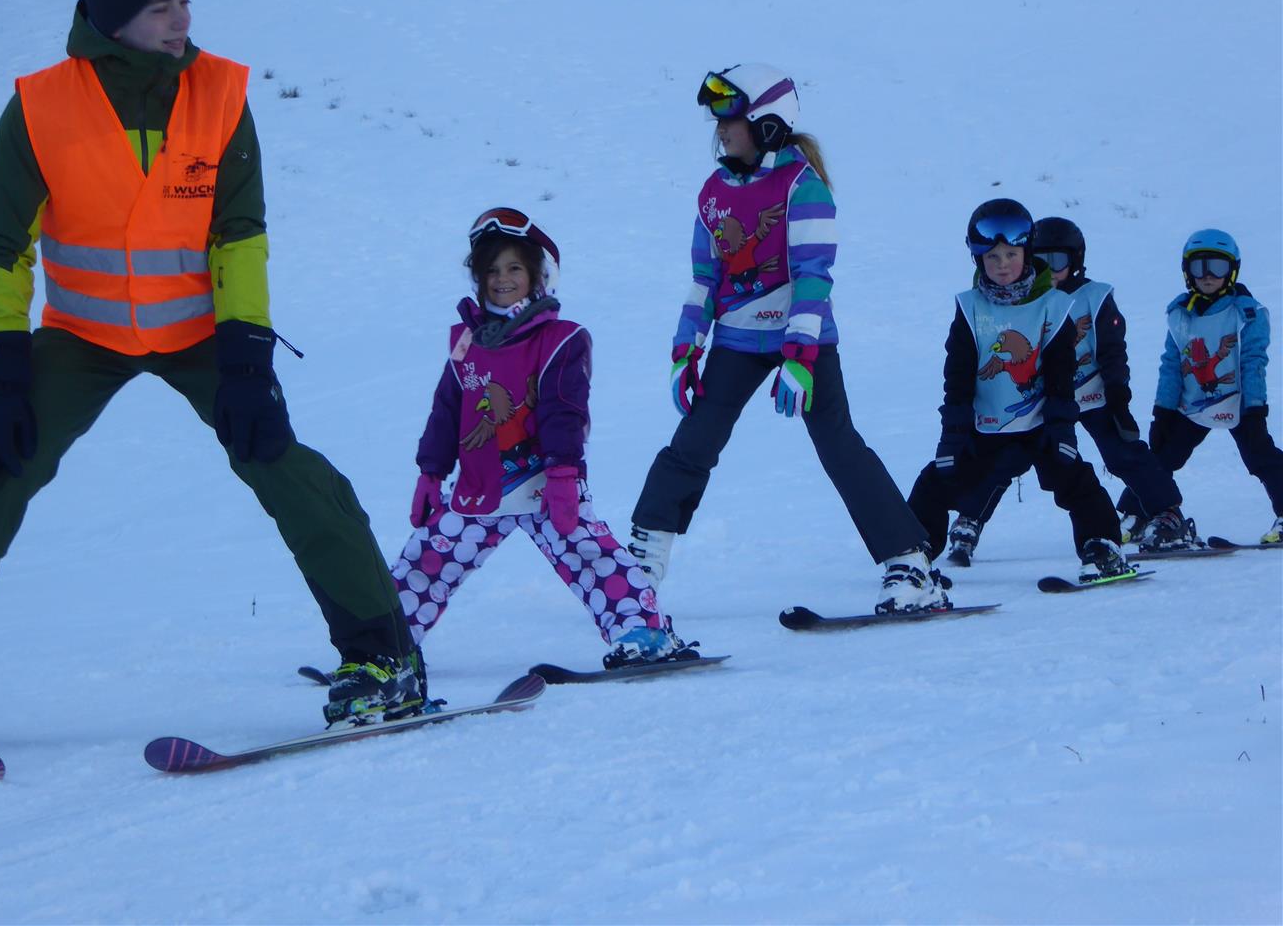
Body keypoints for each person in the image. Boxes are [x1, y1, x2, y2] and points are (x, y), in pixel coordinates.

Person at [0, 0, 420, 746]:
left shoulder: (220, 95)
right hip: (84, 334)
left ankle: (382, 658)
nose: (181, 22)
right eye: (161, 8)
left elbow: (239, 234)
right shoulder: (39, 106)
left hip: (200, 332)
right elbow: (2, 246)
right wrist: (1, 368)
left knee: (282, 463)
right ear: (112, 19)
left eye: (184, 3)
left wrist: (248, 357)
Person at [628, 64, 946, 615]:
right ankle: (639, 569)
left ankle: (910, 564)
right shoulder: (714, 193)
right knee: (693, 444)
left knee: (838, 445)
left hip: (803, 336)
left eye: (730, 118)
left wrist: (799, 358)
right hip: (737, 338)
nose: (720, 130)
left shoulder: (803, 186)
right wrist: (685, 350)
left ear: (767, 123)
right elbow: (705, 279)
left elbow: (813, 278)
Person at [391, 209, 696, 667]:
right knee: (425, 562)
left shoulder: (559, 339)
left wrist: (564, 474)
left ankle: (643, 634)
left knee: (592, 557)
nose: (502, 279)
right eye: (492, 270)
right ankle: (386, 647)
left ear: (537, 275)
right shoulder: (467, 343)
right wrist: (430, 473)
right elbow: (447, 410)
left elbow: (563, 410)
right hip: (479, 488)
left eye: (514, 268)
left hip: (545, 483)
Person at [941, 217, 1202, 566]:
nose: (1051, 270)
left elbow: (1112, 349)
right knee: (1004, 459)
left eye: (1059, 261)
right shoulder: (1025, 300)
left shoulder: (1094, 297)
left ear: (1076, 260)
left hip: (1092, 393)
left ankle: (1166, 512)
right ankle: (969, 520)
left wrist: (1118, 394)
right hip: (1042, 401)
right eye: (1042, 260)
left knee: (1122, 452)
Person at [906, 199, 1132, 584]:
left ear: (1027, 253)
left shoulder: (1054, 306)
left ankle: (1102, 548)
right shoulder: (970, 308)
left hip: (1041, 425)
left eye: (1011, 254)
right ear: (978, 259)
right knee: (936, 482)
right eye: (992, 257)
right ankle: (912, 557)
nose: (1002, 265)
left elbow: (1062, 372)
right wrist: (953, 433)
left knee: (1077, 481)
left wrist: (1062, 427)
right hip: (986, 427)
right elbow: (957, 375)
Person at [1115, 229, 1283, 544]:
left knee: (1260, 456)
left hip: (1238, 402)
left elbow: (1253, 362)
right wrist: (1163, 411)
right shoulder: (1180, 314)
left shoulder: (1247, 313)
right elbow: (1171, 365)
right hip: (1192, 404)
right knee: (1161, 457)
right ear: (1187, 271)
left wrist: (1255, 408)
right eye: (1199, 267)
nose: (1207, 276)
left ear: (1232, 271)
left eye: (1217, 267)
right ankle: (1137, 513)